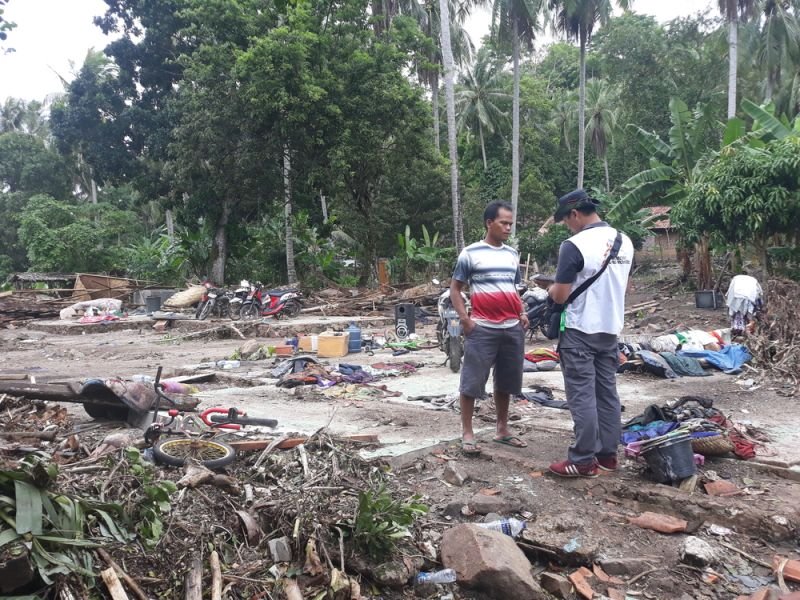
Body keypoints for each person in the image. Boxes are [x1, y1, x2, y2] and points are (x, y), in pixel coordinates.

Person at [546, 189, 634, 477]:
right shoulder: (625, 241)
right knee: (606, 393)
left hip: (580, 329)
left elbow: (560, 296)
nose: (567, 226)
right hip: (610, 330)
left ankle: (583, 459)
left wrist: (549, 289)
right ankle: (608, 455)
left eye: (566, 220)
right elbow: (621, 286)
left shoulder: (574, 245)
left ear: (574, 214)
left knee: (582, 395)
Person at [450, 201, 529, 456]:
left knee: (506, 381)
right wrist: (465, 320)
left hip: (511, 327)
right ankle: (467, 432)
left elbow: (513, 288)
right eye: (503, 223)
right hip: (482, 327)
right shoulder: (470, 253)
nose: (508, 228)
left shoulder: (512, 254)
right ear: (489, 223)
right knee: (472, 381)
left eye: (510, 223)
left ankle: (502, 429)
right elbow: (455, 289)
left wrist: (522, 313)